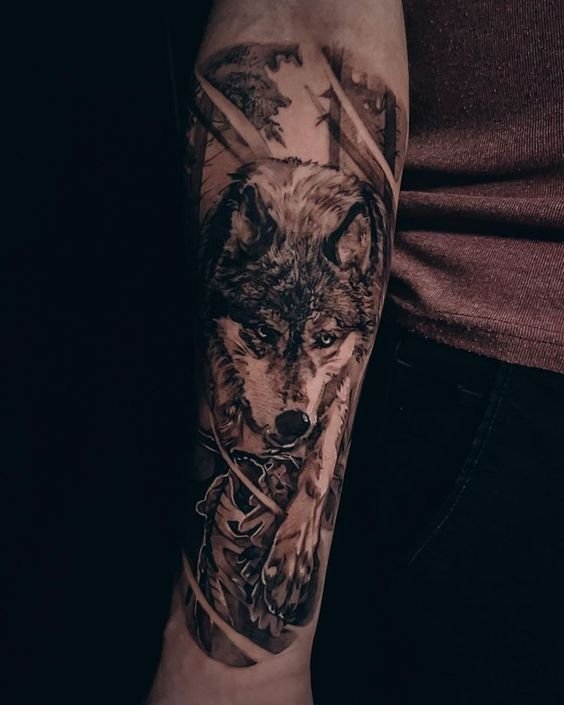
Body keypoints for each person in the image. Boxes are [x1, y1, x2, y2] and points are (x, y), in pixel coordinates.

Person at [151, 1, 564, 703]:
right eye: (264, 339)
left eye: (318, 343)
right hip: (477, 390)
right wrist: (237, 661)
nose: (295, 395)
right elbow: (301, 24)